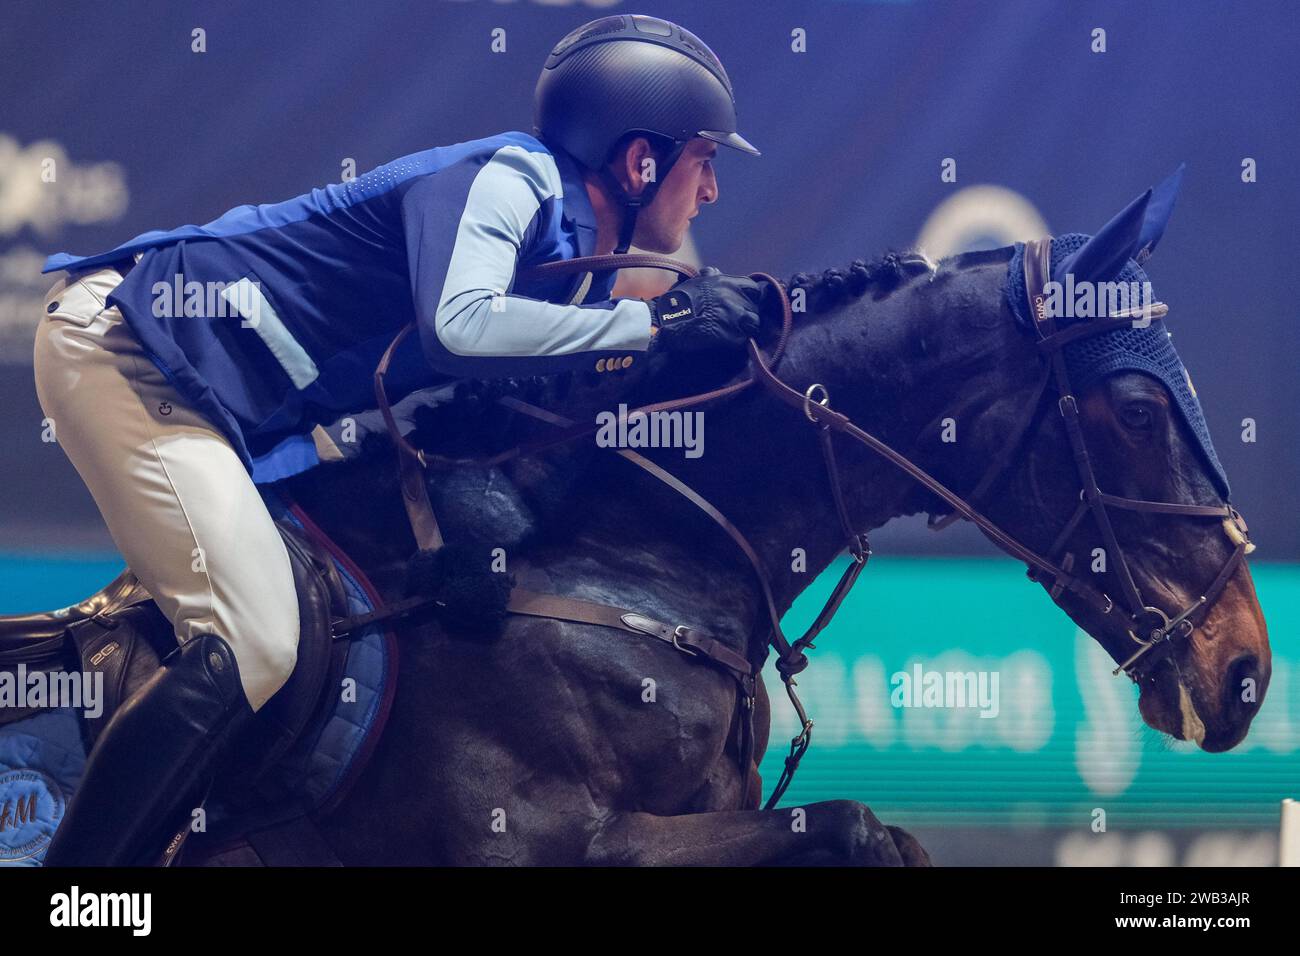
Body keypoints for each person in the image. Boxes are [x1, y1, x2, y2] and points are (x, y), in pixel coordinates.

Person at [33, 13, 766, 865]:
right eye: (703, 159)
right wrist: (650, 323)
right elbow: (460, 328)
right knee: (258, 639)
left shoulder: (578, 264)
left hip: (231, 411)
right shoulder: (514, 177)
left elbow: (444, 411)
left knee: (324, 620)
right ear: (643, 161)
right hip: (131, 349)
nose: (710, 189)